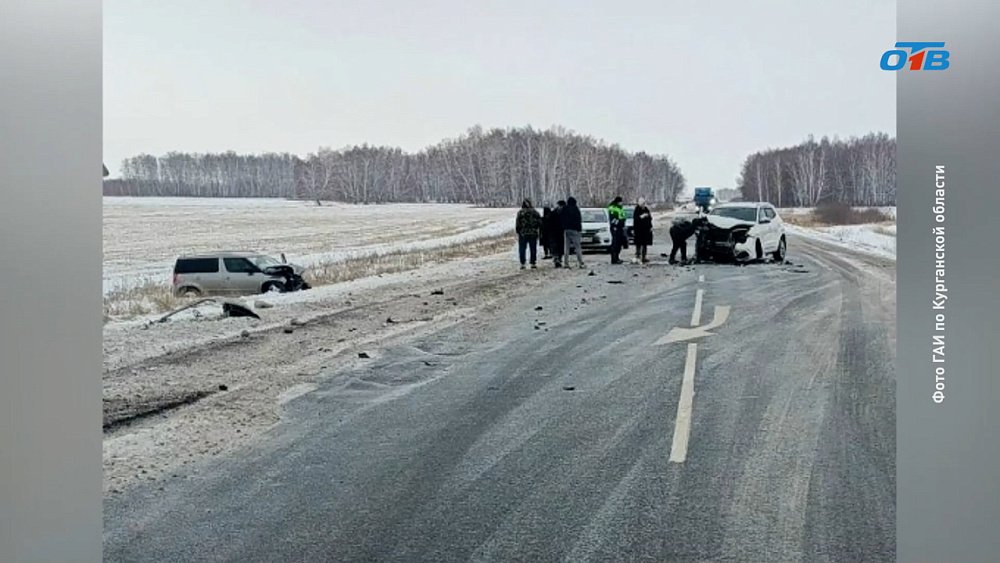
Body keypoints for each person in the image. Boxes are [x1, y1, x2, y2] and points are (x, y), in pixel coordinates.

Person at [515, 198, 543, 269]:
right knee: (533, 248)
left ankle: (522, 263)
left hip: (523, 233)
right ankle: (533, 262)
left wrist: (518, 231)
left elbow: (518, 224)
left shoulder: (520, 212)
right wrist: (537, 229)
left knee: (522, 249)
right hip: (533, 233)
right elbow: (540, 222)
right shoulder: (535, 212)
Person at [561, 197, 586, 269]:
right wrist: (579, 230)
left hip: (567, 230)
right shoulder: (576, 209)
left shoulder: (564, 209)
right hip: (575, 230)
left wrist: (564, 227)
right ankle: (581, 262)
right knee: (577, 247)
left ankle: (566, 263)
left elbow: (562, 219)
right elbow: (578, 219)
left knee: (566, 247)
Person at [632, 198, 654, 264]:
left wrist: (651, 226)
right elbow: (635, 219)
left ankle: (644, 257)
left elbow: (650, 218)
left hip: (646, 230)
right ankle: (638, 256)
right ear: (639, 203)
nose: (643, 205)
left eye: (644, 203)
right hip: (638, 230)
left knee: (645, 244)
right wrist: (642, 216)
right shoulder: (637, 210)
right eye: (642, 203)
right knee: (638, 244)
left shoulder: (646, 209)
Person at [607, 196, 628, 264]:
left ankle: (617, 257)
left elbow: (622, 216)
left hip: (620, 228)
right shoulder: (613, 209)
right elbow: (613, 219)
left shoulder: (620, 208)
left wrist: (623, 223)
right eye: (621, 202)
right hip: (615, 228)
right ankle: (614, 258)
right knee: (615, 243)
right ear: (618, 202)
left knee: (619, 243)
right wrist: (618, 223)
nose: (622, 203)